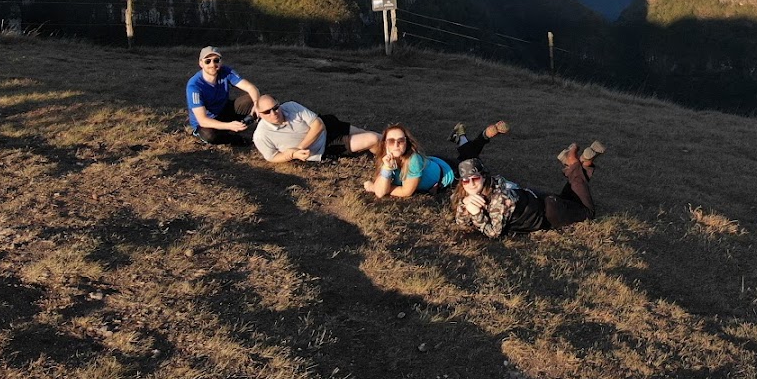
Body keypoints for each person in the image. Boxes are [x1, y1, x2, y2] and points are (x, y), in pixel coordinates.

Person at [453, 139, 606, 237]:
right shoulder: (477, 191)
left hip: (548, 214)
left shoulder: (499, 198)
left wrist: (476, 213)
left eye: (475, 179)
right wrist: (466, 204)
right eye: (466, 181)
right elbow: (461, 222)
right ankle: (583, 163)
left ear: (484, 177)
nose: (471, 184)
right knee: (569, 200)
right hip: (541, 201)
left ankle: (574, 164)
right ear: (462, 183)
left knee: (587, 212)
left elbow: (494, 233)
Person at [363, 120, 510, 199]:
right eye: (391, 141)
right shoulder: (385, 158)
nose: (396, 145)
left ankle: (478, 137)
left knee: (473, 164)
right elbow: (381, 191)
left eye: (401, 140)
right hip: (435, 163)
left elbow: (404, 191)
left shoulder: (413, 160)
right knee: (467, 157)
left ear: (407, 142)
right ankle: (462, 137)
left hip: (450, 173)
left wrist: (378, 187)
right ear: (385, 144)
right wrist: (386, 169)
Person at [252, 95, 383, 164]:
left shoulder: (291, 106)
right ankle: (386, 162)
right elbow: (271, 157)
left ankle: (398, 147)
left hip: (328, 125)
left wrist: (300, 148)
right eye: (267, 112)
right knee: (373, 139)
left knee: (371, 134)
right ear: (259, 114)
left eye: (275, 108)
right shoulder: (261, 135)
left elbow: (318, 124)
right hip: (325, 146)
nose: (273, 113)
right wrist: (292, 155)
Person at [186, 46, 260, 144]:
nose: (212, 64)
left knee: (263, 101)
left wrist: (256, 104)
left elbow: (251, 88)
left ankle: (266, 129)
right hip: (206, 122)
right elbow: (203, 120)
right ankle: (236, 139)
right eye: (207, 61)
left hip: (224, 110)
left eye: (216, 60)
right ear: (201, 64)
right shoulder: (194, 86)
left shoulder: (226, 72)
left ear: (220, 61)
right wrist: (229, 125)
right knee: (209, 136)